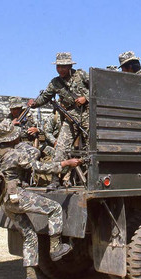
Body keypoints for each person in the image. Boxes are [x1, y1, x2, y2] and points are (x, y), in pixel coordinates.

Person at [0, 121, 82, 279]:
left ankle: (31, 278)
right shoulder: (14, 154)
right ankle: (55, 248)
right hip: (15, 195)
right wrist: (65, 164)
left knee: (29, 235)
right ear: (12, 138)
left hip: (4, 201)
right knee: (55, 208)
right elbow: (39, 167)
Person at [27, 52, 89, 191]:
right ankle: (55, 180)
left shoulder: (81, 75)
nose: (60, 69)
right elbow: (45, 97)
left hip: (87, 115)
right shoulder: (55, 82)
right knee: (60, 148)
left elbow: (98, 88)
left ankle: (91, 179)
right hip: (70, 118)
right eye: (58, 66)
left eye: (63, 66)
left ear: (69, 66)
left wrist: (86, 97)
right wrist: (34, 103)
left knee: (91, 148)